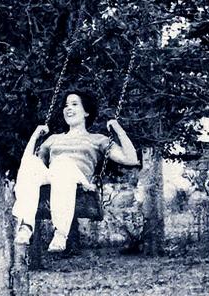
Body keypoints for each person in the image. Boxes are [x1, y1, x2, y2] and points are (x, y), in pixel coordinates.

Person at [12, 90, 139, 252]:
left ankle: (61, 233)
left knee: (62, 162)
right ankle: (26, 225)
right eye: (65, 105)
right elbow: (28, 165)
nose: (68, 108)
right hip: (55, 178)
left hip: (78, 180)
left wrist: (118, 129)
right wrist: (35, 136)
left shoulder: (98, 139)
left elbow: (131, 158)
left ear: (86, 111)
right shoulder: (53, 139)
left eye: (74, 104)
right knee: (32, 162)